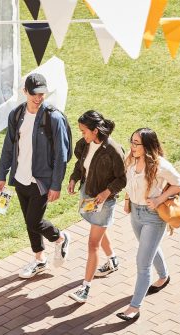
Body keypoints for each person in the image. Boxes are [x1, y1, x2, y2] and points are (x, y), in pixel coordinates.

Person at [0, 73, 71, 279]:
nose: (39, 98)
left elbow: (61, 155)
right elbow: (8, 147)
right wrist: (2, 175)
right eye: (34, 94)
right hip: (20, 178)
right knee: (29, 221)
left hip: (42, 180)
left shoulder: (53, 117)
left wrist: (56, 185)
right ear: (25, 92)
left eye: (42, 94)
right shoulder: (16, 115)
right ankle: (39, 259)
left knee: (33, 221)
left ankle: (60, 238)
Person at [116, 127, 180, 321]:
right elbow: (130, 182)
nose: (132, 146)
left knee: (142, 263)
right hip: (136, 214)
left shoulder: (160, 165)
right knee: (149, 249)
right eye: (132, 141)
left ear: (147, 146)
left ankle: (134, 308)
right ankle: (164, 276)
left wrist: (159, 199)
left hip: (153, 217)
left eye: (136, 143)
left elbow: (179, 183)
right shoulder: (130, 158)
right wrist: (128, 201)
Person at [67, 110, 126, 303]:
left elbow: (122, 178)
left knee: (93, 244)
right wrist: (74, 178)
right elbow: (81, 163)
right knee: (97, 231)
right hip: (88, 196)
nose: (82, 134)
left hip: (104, 202)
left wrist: (106, 192)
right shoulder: (86, 143)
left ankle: (85, 288)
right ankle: (113, 259)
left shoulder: (113, 150)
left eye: (84, 131)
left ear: (95, 130)